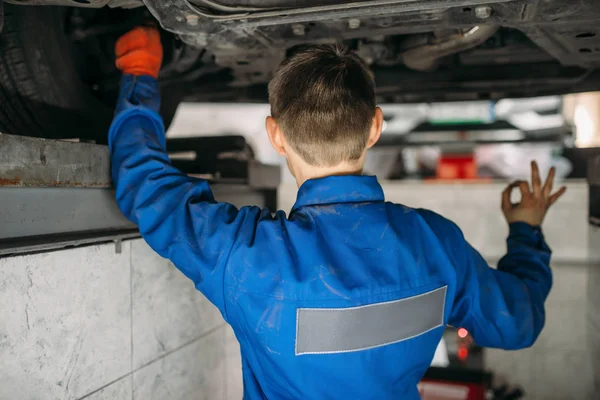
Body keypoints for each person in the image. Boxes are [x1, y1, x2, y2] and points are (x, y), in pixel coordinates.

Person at [110, 27, 566, 399]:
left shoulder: (247, 258)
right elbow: (518, 322)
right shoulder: (437, 243)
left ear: (276, 136)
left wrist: (139, 71)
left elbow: (144, 185)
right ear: (375, 127)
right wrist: (526, 230)